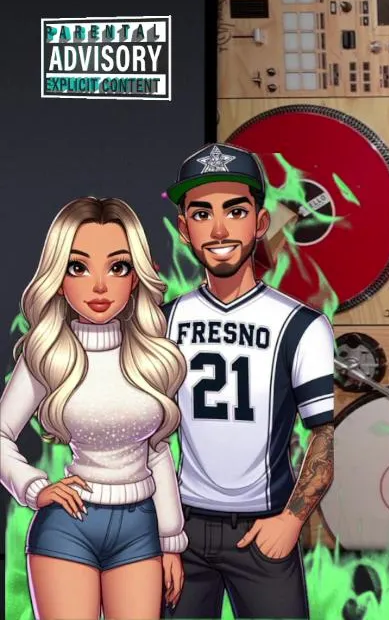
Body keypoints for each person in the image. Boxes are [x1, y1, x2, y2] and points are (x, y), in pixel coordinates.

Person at [162, 144, 335, 620]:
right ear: (184, 229)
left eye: (235, 211)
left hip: (264, 528)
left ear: (260, 222)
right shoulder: (162, 322)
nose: (219, 230)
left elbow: (322, 436)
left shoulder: (301, 325)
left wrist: (292, 519)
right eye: (202, 214)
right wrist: (159, 530)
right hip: (183, 529)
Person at [0, 197, 188, 619]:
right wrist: (33, 487)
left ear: (136, 277)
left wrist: (171, 542)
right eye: (78, 267)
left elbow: (157, 450)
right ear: (57, 278)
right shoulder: (48, 354)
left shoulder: (153, 356)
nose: (100, 286)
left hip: (140, 527)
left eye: (117, 267)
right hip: (68, 526)